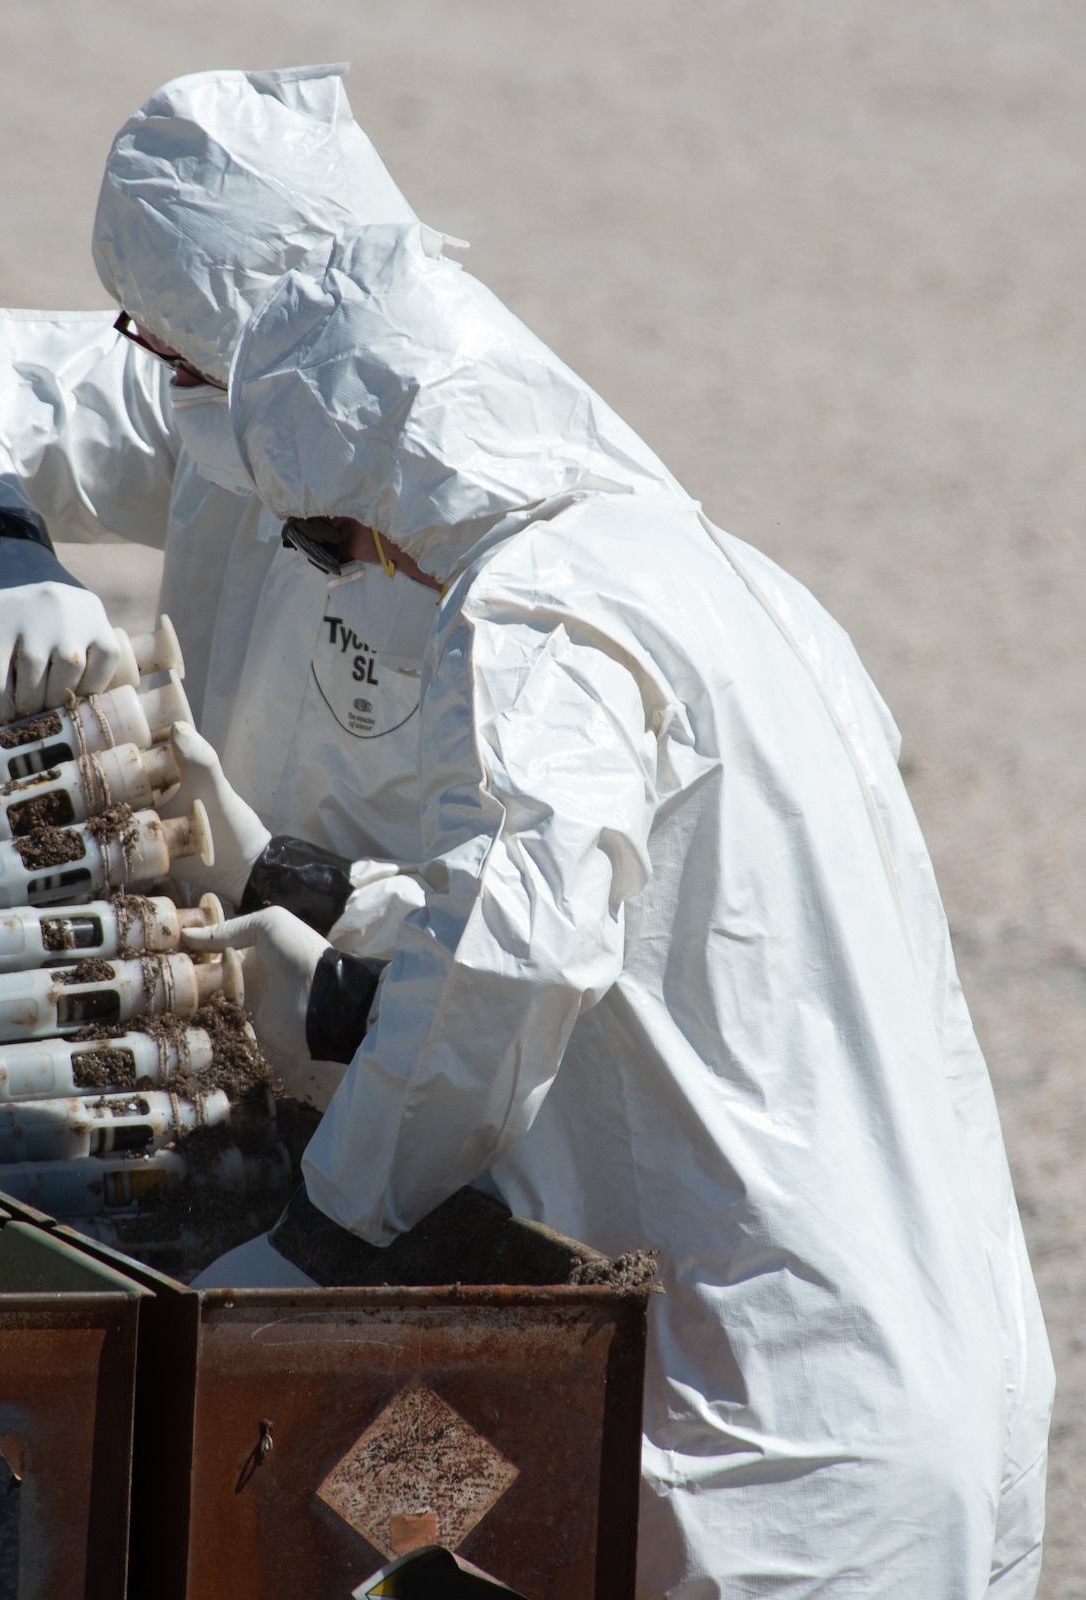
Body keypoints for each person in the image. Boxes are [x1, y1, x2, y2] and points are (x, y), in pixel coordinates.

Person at [177, 219, 1054, 1596]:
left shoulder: (538, 605)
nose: (351, 574)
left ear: (400, 487)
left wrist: (323, 1235)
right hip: (940, 1374)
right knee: (385, 1502)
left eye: (334, 538)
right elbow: (680, 940)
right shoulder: (734, 580)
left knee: (318, 1475)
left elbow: (518, 958)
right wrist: (332, 924)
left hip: (758, 1437)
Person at [0, 65, 445, 953]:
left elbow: (529, 957)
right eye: (162, 350)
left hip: (395, 1058)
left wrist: (277, 876)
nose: (173, 381)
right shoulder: (220, 392)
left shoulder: (528, 549)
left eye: (187, 358)